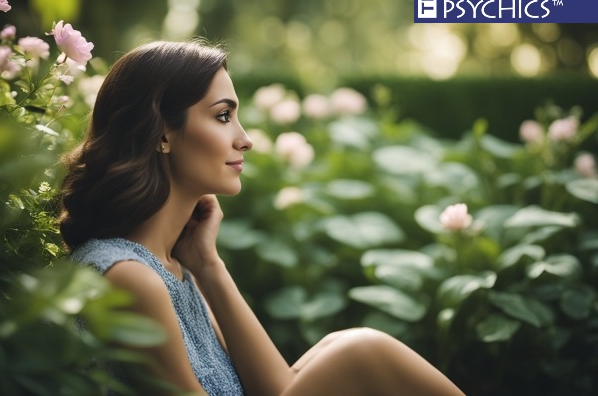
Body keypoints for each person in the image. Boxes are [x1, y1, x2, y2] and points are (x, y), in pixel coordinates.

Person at [59, 40, 465, 396]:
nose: (245, 138)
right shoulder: (128, 275)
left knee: (343, 344)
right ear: (162, 134)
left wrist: (208, 265)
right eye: (223, 116)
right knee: (360, 350)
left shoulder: (175, 270)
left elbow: (277, 389)